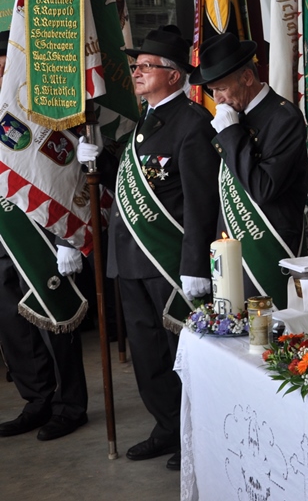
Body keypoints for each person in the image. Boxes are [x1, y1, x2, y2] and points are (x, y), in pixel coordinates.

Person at [78, 25, 220, 471]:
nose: (136, 72)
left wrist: (195, 264)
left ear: (174, 75)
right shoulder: (146, 120)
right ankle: (167, 426)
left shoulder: (193, 124)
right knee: (146, 354)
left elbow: (200, 202)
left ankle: (192, 435)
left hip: (168, 261)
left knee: (180, 354)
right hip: (130, 259)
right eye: (136, 66)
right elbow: (138, 179)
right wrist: (99, 161)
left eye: (145, 66)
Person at [0, 30, 89, 441]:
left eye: (5, 66)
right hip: (3, 238)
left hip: (38, 234)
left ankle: (70, 406)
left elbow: (64, 174)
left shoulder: (36, 109)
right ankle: (37, 400)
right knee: (12, 325)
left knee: (54, 317)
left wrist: (67, 240)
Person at [190, 32, 308, 309]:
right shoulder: (235, 116)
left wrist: (232, 134)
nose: (217, 100)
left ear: (246, 77)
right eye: (212, 91)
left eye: (221, 88)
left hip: (268, 246)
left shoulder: (284, 117)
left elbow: (263, 188)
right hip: (232, 244)